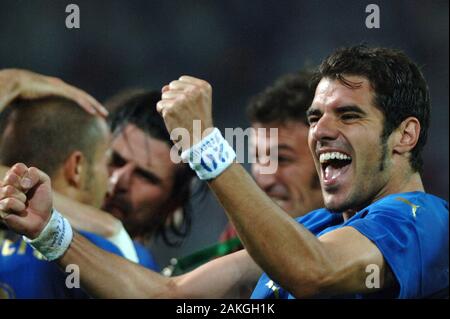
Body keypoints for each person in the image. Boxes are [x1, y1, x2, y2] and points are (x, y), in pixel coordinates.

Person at [1, 45, 448, 298]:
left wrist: (206, 147)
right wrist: (50, 230)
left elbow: (317, 272)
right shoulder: (313, 229)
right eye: (314, 118)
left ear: (404, 135)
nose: (322, 132)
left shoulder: (421, 219)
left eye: (349, 116)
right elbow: (169, 296)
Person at [220, 70, 323, 243]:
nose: (264, 180)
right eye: (257, 158)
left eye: (281, 159)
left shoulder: (364, 240)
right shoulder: (242, 234)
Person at [102, 90, 196, 248]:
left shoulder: (143, 270)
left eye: (144, 176)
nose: (118, 181)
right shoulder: (47, 226)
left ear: (172, 205)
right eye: (115, 160)